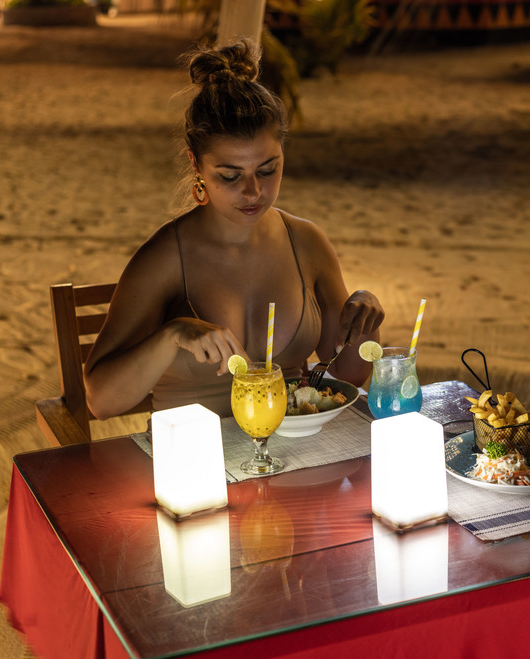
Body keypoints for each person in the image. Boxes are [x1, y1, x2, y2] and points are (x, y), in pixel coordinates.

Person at [84, 39, 384, 419]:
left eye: (268, 170)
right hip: (194, 450)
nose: (253, 191)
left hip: (293, 443)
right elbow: (100, 402)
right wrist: (172, 334)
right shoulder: (165, 259)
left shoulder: (307, 244)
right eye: (230, 176)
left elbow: (347, 374)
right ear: (196, 165)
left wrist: (365, 320)